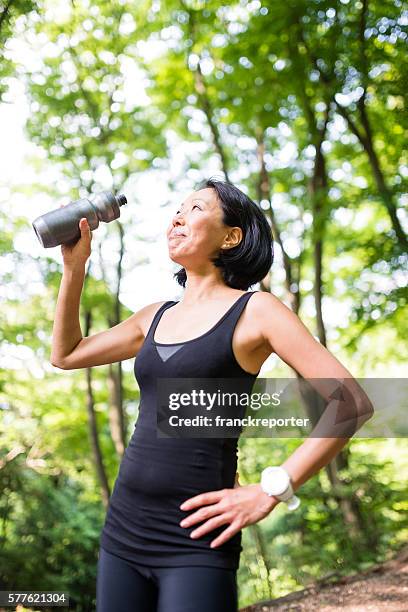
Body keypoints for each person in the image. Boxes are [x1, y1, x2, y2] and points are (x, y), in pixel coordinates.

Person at [50, 178, 373, 612]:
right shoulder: (154, 317)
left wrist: (271, 489)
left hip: (198, 538)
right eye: (177, 209)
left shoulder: (256, 311)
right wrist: (75, 268)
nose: (178, 217)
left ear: (231, 236)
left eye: (196, 208)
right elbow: (66, 354)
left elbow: (351, 403)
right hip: (123, 532)